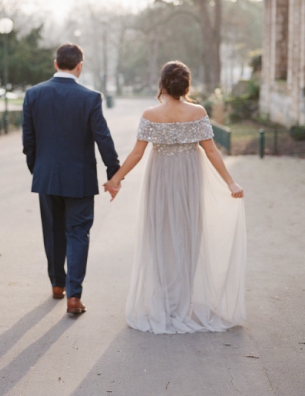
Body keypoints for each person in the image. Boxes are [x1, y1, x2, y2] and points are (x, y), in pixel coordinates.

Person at [104, 61, 246, 334]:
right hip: (189, 179)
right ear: (186, 85)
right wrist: (230, 182)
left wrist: (116, 180)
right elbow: (212, 151)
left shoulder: (151, 113)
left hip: (160, 179)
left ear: (162, 84)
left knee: (160, 236)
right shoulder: (198, 112)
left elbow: (136, 154)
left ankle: (165, 303)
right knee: (188, 234)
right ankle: (180, 304)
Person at [22, 43, 120, 315]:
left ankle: (57, 284)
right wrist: (114, 172)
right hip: (80, 179)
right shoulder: (90, 98)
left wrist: (38, 169)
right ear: (79, 66)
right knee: (78, 234)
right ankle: (74, 296)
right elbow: (103, 138)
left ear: (55, 64)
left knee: (52, 231)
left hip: (47, 177)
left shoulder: (33, 94)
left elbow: (28, 141)